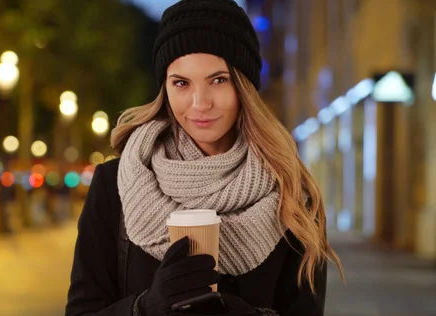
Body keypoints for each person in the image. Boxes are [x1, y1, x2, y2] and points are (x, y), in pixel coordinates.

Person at [65, 1, 344, 315]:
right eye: (181, 83)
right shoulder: (114, 185)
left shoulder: (293, 194)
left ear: (244, 86)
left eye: (218, 80)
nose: (200, 103)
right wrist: (145, 308)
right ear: (165, 88)